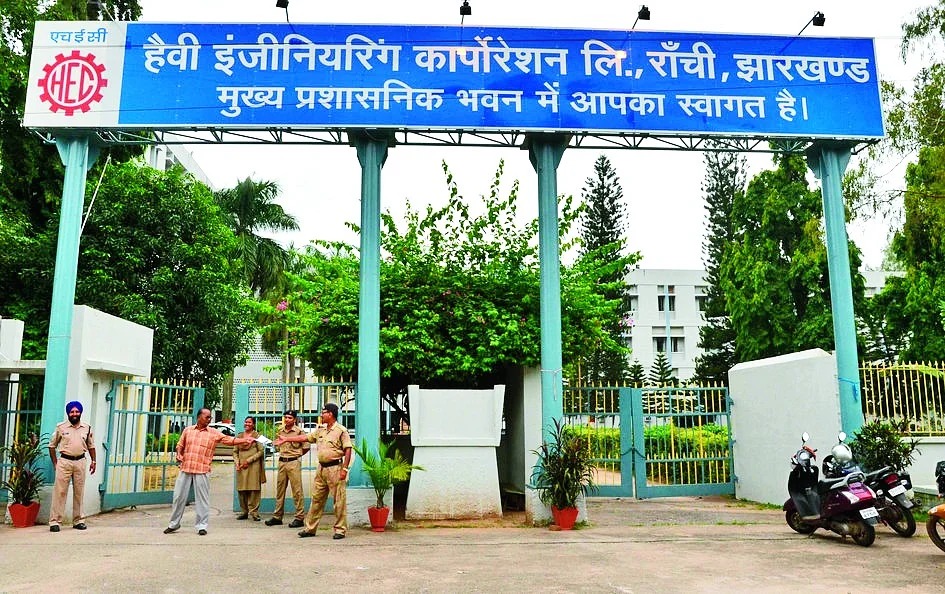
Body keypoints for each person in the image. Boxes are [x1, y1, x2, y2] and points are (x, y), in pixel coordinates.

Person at [163, 407, 252, 536]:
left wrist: (243, 440)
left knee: (202, 499)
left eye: (210, 417)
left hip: (202, 469)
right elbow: (180, 445)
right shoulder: (188, 430)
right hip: (186, 468)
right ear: (199, 417)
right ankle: (174, 524)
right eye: (207, 417)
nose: (209, 419)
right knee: (178, 497)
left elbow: (228, 440)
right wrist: (179, 454)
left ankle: (202, 526)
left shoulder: (213, 433)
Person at [277, 402, 352, 540]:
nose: (321, 415)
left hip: (335, 468)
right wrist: (287, 439)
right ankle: (310, 528)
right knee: (316, 499)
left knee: (339, 500)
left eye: (323, 412)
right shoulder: (320, 430)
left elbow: (348, 449)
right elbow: (305, 438)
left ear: (330, 414)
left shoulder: (341, 430)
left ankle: (340, 530)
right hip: (321, 469)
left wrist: (345, 469)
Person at [48, 401, 96, 532]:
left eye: (77, 411)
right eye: (72, 412)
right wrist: (55, 463)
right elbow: (52, 446)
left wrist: (94, 461)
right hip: (64, 462)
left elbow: (91, 446)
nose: (74, 414)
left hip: (80, 461)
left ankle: (78, 520)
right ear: (68, 413)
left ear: (80, 412)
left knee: (79, 492)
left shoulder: (87, 428)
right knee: (60, 492)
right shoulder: (61, 427)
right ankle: (55, 521)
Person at [265, 409, 308, 528]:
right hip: (282, 462)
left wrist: (296, 454)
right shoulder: (281, 430)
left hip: (293, 462)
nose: (287, 419)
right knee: (280, 490)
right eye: (285, 417)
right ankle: (277, 516)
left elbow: (306, 447)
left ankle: (299, 517)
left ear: (294, 419)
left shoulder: (299, 432)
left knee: (297, 491)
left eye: (290, 418)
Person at [233, 416, 266, 521]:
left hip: (253, 466)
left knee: (254, 489)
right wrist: (237, 462)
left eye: (249, 422)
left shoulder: (257, 437)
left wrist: (249, 460)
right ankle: (244, 511)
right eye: (246, 422)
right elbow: (235, 451)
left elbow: (261, 451)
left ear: (253, 424)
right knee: (241, 489)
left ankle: (254, 512)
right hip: (241, 466)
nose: (247, 424)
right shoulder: (239, 436)